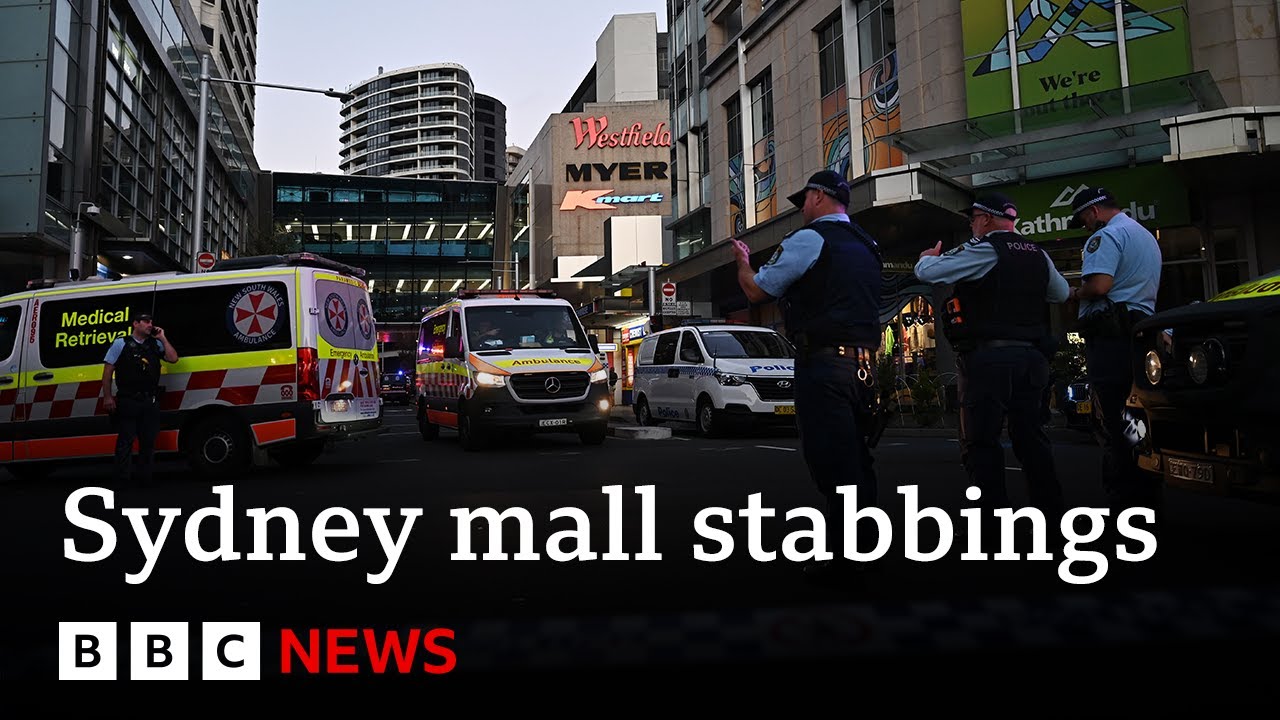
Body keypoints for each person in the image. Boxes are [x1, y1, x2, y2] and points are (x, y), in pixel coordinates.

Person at [731, 170, 883, 586]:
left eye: (804, 200)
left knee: (831, 460)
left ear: (818, 197)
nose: (801, 209)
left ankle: (845, 558)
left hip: (825, 364)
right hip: (865, 366)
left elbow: (758, 292)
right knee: (857, 460)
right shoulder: (868, 244)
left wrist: (744, 263)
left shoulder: (811, 238)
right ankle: (867, 546)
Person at [915, 193, 1070, 540]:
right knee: (1032, 439)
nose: (971, 225)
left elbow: (930, 272)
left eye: (973, 220)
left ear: (985, 219)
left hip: (989, 359)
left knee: (982, 441)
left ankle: (993, 523)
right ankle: (1052, 516)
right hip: (1032, 360)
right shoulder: (1038, 255)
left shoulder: (985, 250)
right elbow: (1060, 294)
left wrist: (926, 259)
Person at [1066, 186, 1163, 514]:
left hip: (1111, 336)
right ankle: (1148, 490)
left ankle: (1124, 499)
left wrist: (1076, 293)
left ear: (1093, 212)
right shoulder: (1145, 236)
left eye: (1083, 219)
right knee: (1137, 416)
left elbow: (1100, 285)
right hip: (1140, 332)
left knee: (1113, 416)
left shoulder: (1105, 237)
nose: (1085, 226)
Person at [102, 312, 179, 486]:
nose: (149, 324)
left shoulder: (155, 344)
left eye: (151, 321)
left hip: (149, 400)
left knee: (148, 443)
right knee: (125, 441)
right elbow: (108, 372)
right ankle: (122, 480)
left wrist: (163, 338)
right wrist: (107, 396)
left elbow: (173, 358)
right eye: (145, 321)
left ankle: (144, 479)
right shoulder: (121, 343)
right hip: (128, 400)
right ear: (135, 324)